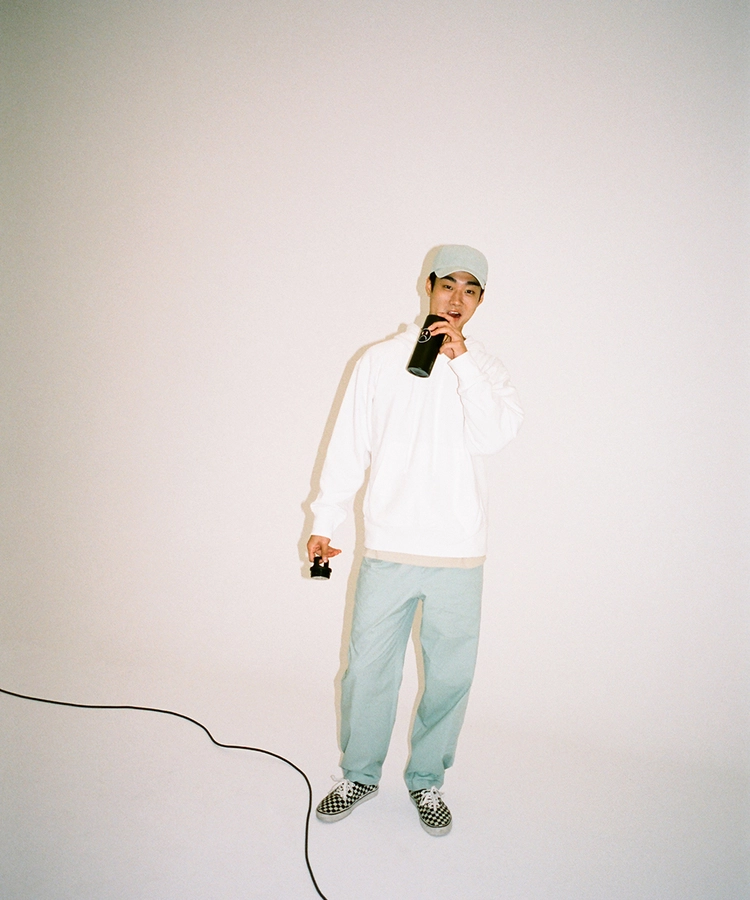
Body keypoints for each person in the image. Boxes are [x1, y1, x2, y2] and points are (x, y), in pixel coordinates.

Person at [307, 245, 523, 836]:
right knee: (366, 671)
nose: (457, 299)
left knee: (449, 678)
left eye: (470, 291)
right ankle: (359, 775)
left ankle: (427, 781)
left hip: (459, 553)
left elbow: (494, 437)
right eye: (448, 286)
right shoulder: (379, 361)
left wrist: (462, 362)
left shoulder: (487, 368)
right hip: (389, 547)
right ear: (428, 286)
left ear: (480, 302)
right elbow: (348, 445)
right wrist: (325, 521)